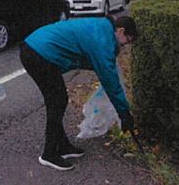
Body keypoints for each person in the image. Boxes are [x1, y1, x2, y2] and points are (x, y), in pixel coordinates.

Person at [20, 15, 138, 171]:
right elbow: (111, 82)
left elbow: (87, 57)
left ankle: (62, 146)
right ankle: (49, 154)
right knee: (57, 101)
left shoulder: (103, 29)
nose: (125, 46)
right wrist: (124, 113)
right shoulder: (103, 40)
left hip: (36, 48)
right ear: (121, 31)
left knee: (57, 100)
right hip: (38, 53)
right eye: (127, 41)